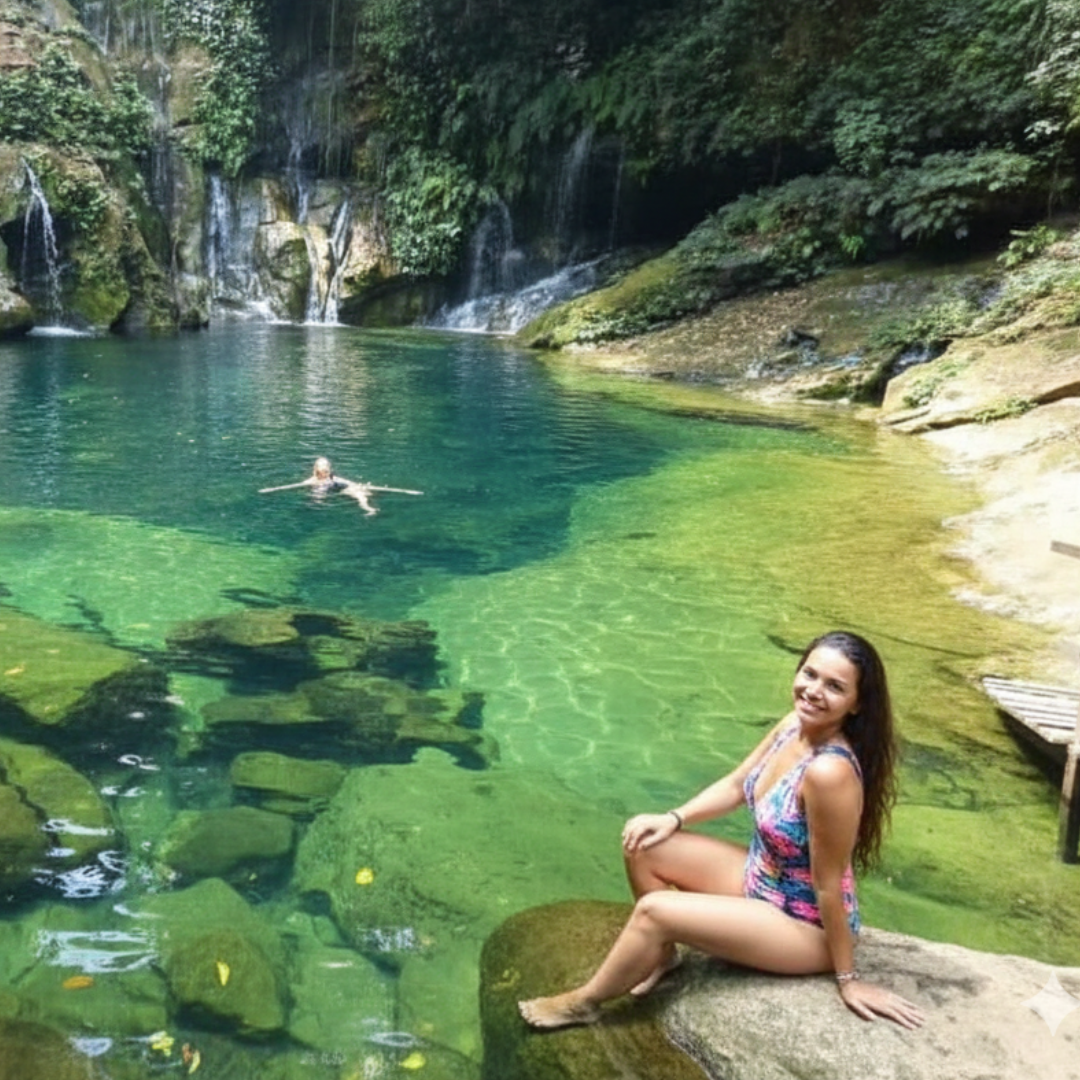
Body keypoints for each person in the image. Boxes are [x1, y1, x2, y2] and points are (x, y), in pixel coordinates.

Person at [518, 630, 925, 1031]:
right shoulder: (793, 726)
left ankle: (585, 1003)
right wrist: (672, 818)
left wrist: (848, 980)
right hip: (759, 878)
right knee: (644, 845)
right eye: (810, 674)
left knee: (654, 911)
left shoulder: (829, 772)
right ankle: (662, 957)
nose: (814, 691)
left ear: (856, 705)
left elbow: (828, 886)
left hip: (803, 925)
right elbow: (735, 786)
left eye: (835, 686)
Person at [259, 457, 422, 516]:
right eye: (322, 471)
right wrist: (271, 490)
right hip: (326, 492)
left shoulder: (334, 478)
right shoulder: (313, 481)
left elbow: (352, 484)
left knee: (360, 493)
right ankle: (313, 509)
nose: (325, 473)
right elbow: (292, 486)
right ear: (316, 471)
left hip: (341, 490)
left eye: (326, 470)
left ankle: (368, 509)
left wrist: (403, 490)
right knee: (317, 497)